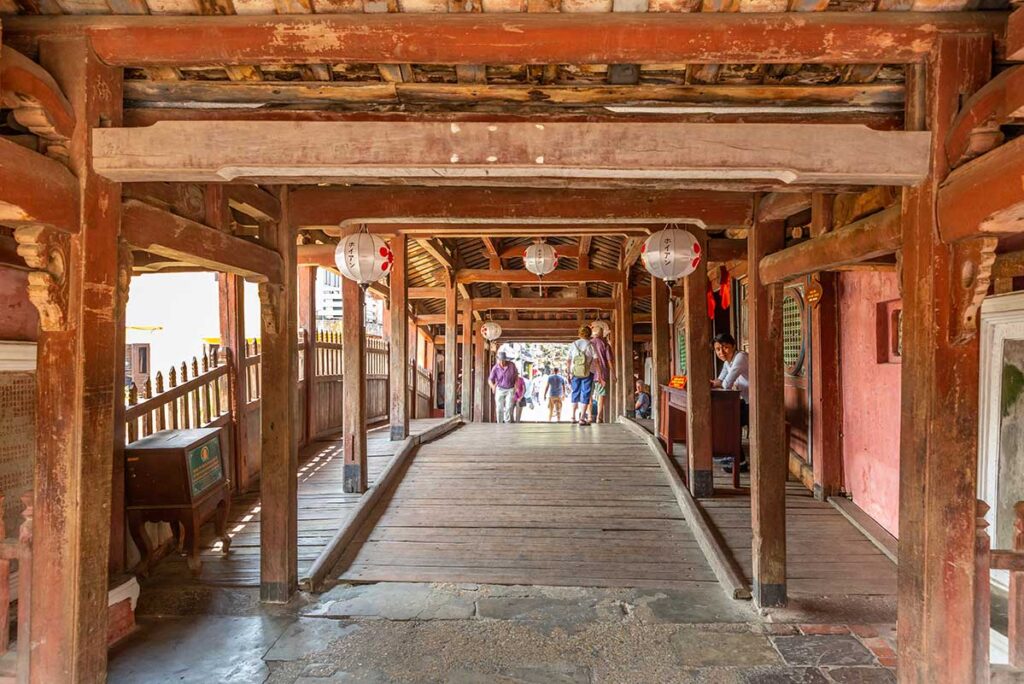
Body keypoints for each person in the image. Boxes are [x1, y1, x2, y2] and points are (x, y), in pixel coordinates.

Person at [710, 332, 749, 473]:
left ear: (733, 346)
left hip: (755, 403)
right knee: (726, 418)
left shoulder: (740, 357)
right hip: (744, 402)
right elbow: (719, 380)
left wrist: (716, 383)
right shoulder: (728, 362)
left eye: (725, 347)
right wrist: (714, 383)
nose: (721, 352)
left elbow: (725, 384)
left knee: (730, 422)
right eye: (718, 349)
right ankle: (734, 459)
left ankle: (739, 461)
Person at [567, 325, 596, 426]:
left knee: (575, 392)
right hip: (588, 372)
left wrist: (568, 373)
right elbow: (596, 360)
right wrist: (599, 374)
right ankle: (582, 418)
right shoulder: (590, 345)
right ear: (589, 334)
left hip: (575, 372)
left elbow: (568, 360)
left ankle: (572, 417)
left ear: (579, 333)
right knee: (585, 394)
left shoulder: (573, 344)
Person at [589, 325, 614, 423]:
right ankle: (599, 417)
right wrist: (613, 373)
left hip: (589, 373)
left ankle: (590, 416)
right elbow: (609, 361)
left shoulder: (588, 344)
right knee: (601, 395)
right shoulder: (605, 344)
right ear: (601, 333)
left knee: (589, 396)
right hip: (602, 373)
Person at [488, 351, 519, 423]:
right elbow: (490, 379)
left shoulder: (512, 365)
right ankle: (499, 423)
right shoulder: (495, 368)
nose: (502, 362)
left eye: (503, 360)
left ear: (506, 359)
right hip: (500, 389)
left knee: (509, 407)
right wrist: (492, 386)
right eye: (500, 360)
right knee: (499, 408)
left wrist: (516, 385)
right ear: (498, 359)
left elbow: (516, 376)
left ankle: (507, 423)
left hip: (510, 389)